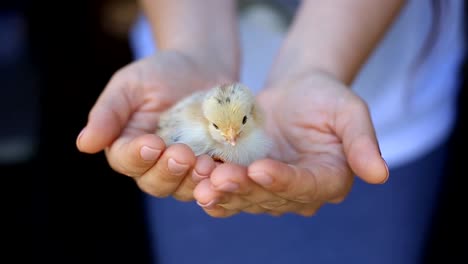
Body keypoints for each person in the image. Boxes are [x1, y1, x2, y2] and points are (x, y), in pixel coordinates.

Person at [76, 0, 465, 263]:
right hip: (180, 55)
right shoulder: (195, 132)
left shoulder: (252, 134)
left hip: (390, 94)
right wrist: (191, 45)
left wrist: (319, 63)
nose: (229, 139)